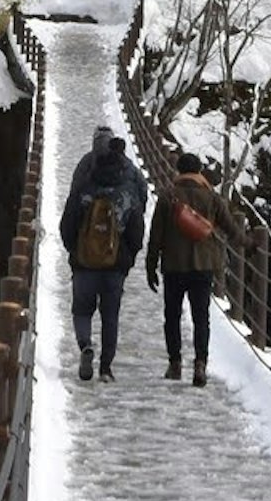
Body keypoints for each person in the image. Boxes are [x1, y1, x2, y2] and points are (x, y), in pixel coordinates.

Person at [57, 127, 148, 382]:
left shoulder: (85, 182)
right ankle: (106, 368)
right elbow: (137, 228)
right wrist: (127, 258)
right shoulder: (128, 186)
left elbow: (68, 223)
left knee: (82, 310)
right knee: (111, 316)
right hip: (115, 263)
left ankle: (85, 344)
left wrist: (74, 250)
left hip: (85, 262)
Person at [147, 159, 227, 383]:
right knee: (201, 317)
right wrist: (248, 244)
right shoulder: (211, 197)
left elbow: (156, 234)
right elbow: (229, 226)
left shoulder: (167, 196)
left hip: (174, 266)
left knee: (172, 316)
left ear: (178, 170)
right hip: (203, 266)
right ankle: (200, 363)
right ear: (200, 171)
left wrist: (151, 265)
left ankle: (175, 364)